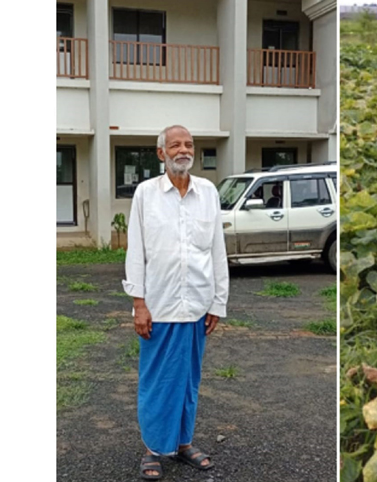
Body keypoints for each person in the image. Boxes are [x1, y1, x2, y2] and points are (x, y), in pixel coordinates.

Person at [123, 125, 229, 480]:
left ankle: (183, 443)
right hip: (160, 306)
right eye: (175, 145)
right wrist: (139, 303)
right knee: (158, 380)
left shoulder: (208, 192)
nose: (183, 150)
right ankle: (153, 449)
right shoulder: (145, 194)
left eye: (188, 144)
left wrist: (218, 302)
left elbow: (217, 249)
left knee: (188, 380)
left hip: (197, 305)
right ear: (161, 153)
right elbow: (135, 251)